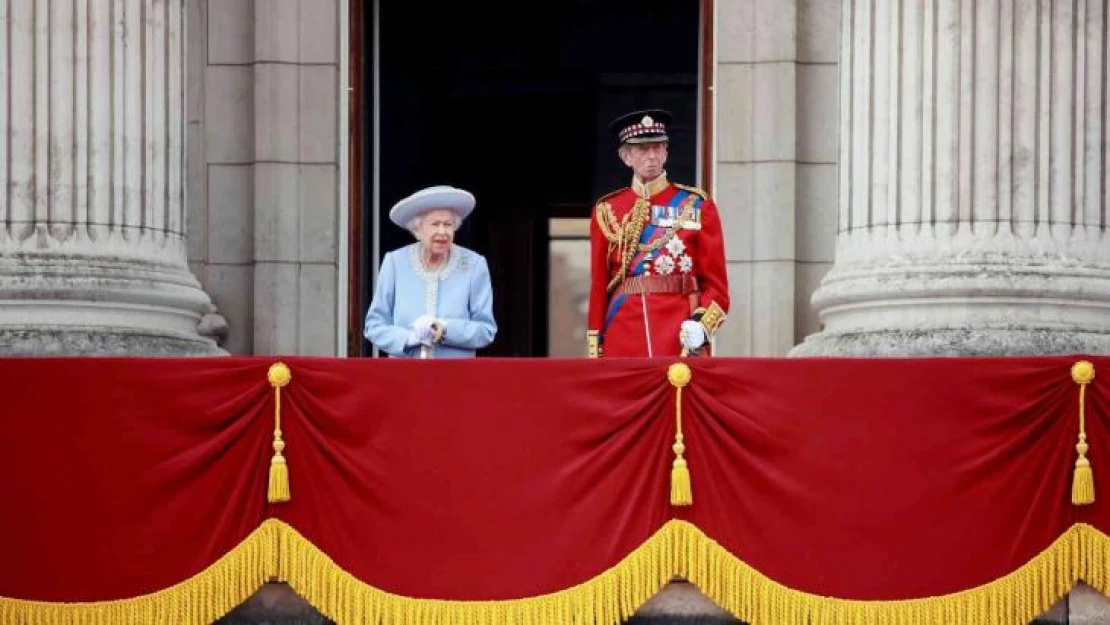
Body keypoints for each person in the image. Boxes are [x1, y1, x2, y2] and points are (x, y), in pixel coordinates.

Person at [586, 109, 729, 358]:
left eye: (658, 148)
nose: (652, 156)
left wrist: (702, 326)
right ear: (625, 156)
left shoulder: (696, 205)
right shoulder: (607, 210)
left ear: (666, 152)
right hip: (623, 334)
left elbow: (717, 286)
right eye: (642, 149)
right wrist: (595, 346)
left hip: (678, 331)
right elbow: (599, 287)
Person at [364, 185, 497, 358]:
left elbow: (486, 330)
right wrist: (408, 338)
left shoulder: (474, 265)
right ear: (417, 230)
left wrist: (444, 329)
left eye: (448, 225)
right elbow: (374, 326)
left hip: (455, 377)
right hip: (403, 376)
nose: (442, 232)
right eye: (435, 224)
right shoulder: (395, 262)